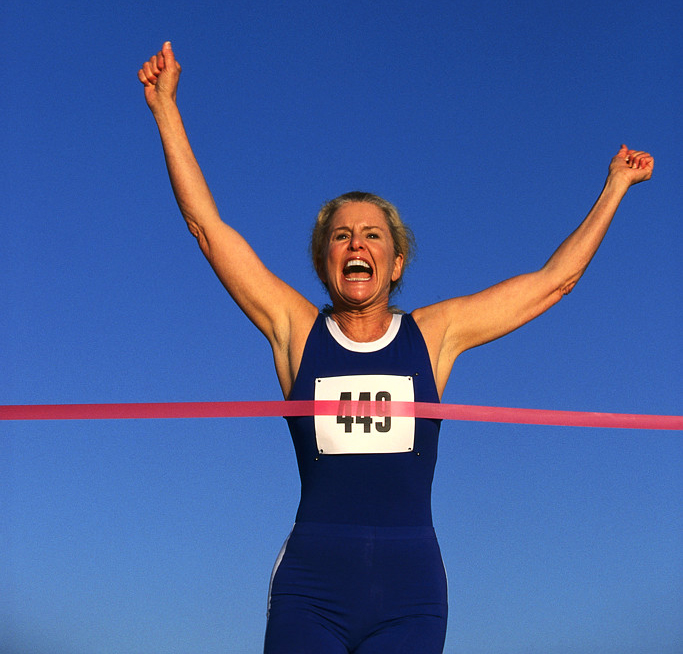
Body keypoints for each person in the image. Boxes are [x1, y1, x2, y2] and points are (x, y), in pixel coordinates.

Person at [138, 42, 654, 654]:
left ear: (395, 261)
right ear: (325, 260)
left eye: (372, 234)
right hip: (311, 590)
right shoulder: (296, 330)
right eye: (342, 235)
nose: (357, 242)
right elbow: (208, 229)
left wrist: (616, 186)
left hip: (411, 596)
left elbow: (551, 284)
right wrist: (166, 107)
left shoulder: (433, 335)